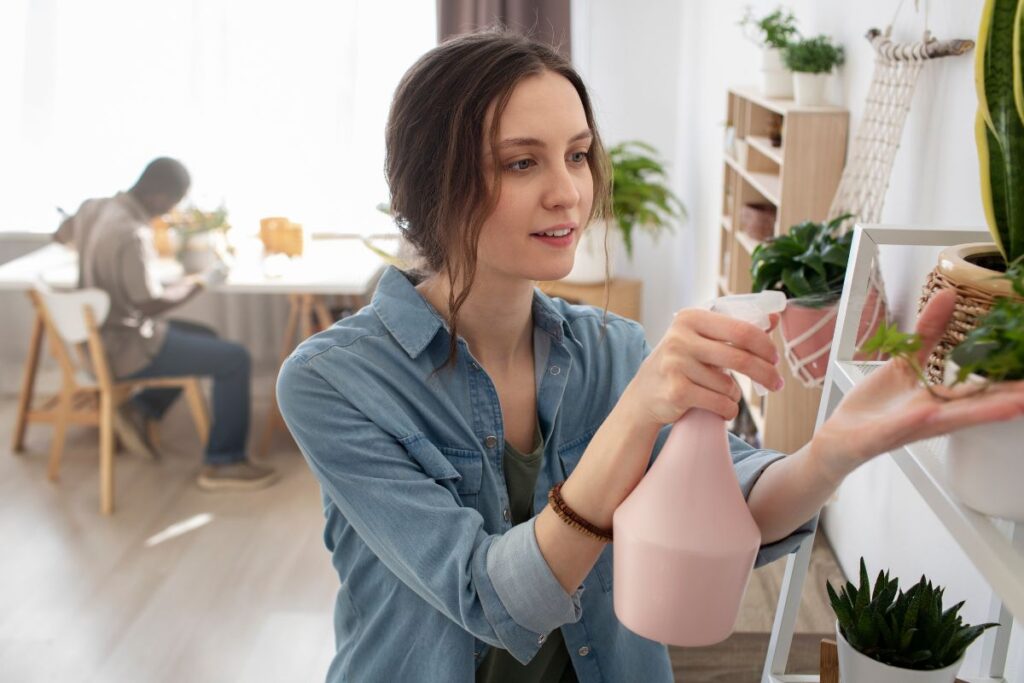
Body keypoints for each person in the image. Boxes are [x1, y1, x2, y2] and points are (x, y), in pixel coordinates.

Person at [275, 31, 1024, 683]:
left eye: (576, 155)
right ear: (430, 181)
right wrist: (634, 415)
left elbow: (733, 509)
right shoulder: (334, 382)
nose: (569, 191)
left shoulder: (611, 347)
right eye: (520, 163)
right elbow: (488, 599)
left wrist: (829, 455)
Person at [55, 157, 277, 491]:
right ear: (160, 197)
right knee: (235, 359)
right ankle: (224, 461)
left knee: (206, 336)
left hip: (96, 341)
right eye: (173, 203)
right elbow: (149, 305)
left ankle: (142, 409)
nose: (171, 212)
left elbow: (60, 235)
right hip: (124, 347)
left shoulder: (94, 207)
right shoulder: (131, 232)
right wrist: (199, 282)